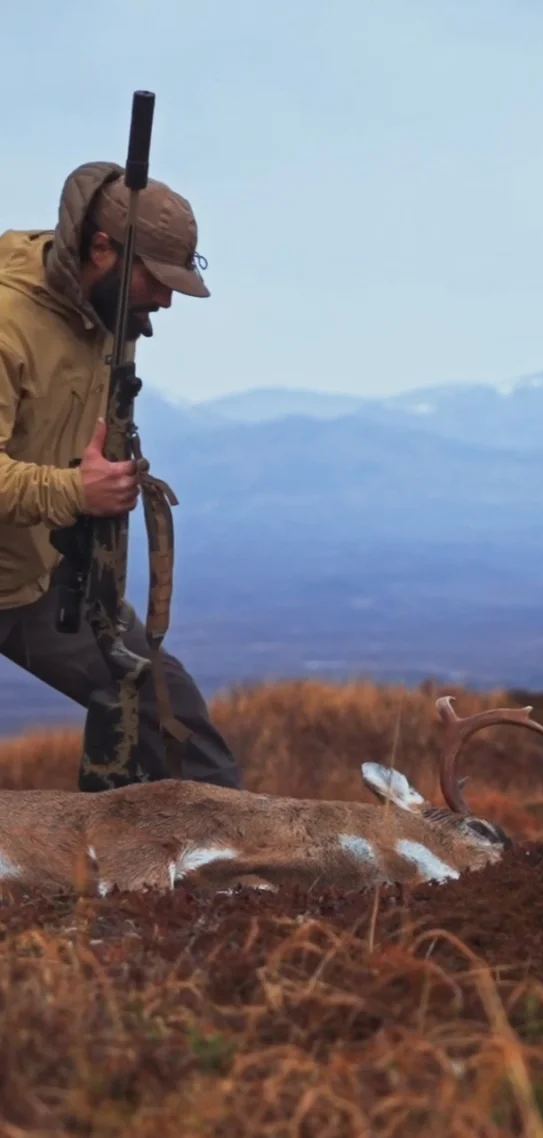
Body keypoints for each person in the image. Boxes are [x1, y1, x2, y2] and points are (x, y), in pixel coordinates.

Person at [0, 160, 241, 791]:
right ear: (100, 247)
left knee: (171, 714)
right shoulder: (5, 323)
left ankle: (236, 880)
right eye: (155, 280)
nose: (164, 300)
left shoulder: (100, 309)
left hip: (30, 575)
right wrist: (76, 492)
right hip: (26, 558)